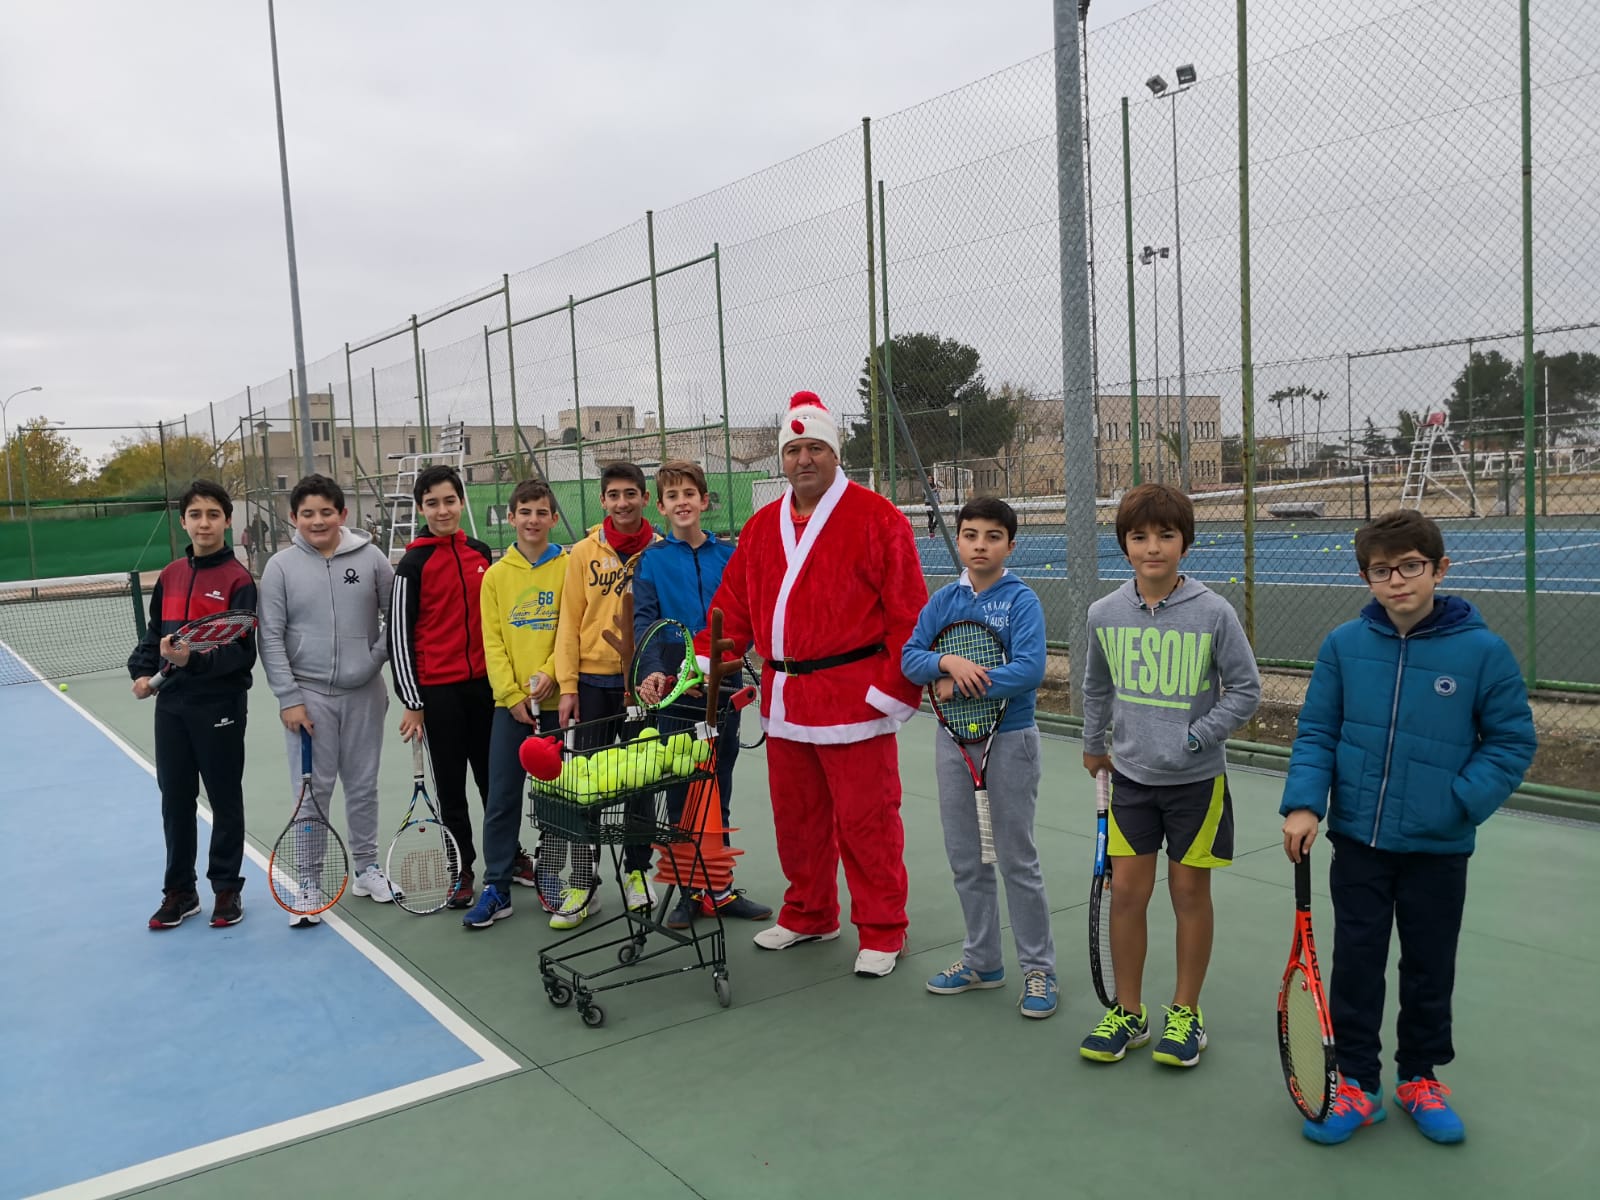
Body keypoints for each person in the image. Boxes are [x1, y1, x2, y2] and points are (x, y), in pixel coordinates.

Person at [1280, 508, 1535, 1146]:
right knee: (1357, 963)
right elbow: (1318, 731)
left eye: (1410, 567)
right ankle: (1357, 1084)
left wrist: (1456, 803)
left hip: (1438, 848)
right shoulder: (1343, 646)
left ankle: (1419, 1077)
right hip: (1358, 842)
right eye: (1381, 570)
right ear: (1365, 577)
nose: (1396, 580)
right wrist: (1305, 803)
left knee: (1429, 964)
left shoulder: (1483, 652)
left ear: (1439, 569)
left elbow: (1511, 742)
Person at [696, 391, 927, 978]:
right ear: (782, 458)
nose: (803, 459)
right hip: (785, 698)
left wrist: (895, 689)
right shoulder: (760, 527)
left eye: (815, 448)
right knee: (796, 819)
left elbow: (909, 613)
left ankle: (882, 928)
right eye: (793, 449)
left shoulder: (878, 518)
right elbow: (733, 606)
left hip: (855, 698)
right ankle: (810, 912)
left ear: (835, 453)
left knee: (867, 821)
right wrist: (707, 657)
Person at [1079, 482, 1261, 1067]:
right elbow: (1096, 687)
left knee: (1188, 894)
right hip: (1131, 782)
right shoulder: (1103, 613)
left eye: (1166, 535)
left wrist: (1197, 736)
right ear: (1124, 545)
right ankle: (1128, 1013)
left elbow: (1246, 690)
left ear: (1186, 542)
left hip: (1197, 785)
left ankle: (1186, 1013)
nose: (1152, 547)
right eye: (1139, 536)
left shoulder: (1214, 612)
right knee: (1127, 896)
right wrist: (1093, 745)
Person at [901, 497, 1055, 1016]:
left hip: (1009, 741)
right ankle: (983, 961)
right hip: (953, 742)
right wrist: (945, 661)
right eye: (970, 535)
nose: (980, 545)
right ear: (960, 540)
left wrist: (963, 683)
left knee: (1016, 860)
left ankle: (1039, 970)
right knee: (967, 859)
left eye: (993, 536)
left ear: (1010, 545)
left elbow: (1030, 669)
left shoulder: (1021, 600)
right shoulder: (944, 600)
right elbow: (910, 658)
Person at [631, 460, 772, 930]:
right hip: (676, 689)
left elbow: (747, 614)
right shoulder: (652, 561)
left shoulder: (729, 555)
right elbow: (646, 623)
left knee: (717, 787)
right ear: (661, 506)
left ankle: (719, 888)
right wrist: (656, 671)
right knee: (679, 793)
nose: (682, 502)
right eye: (673, 496)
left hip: (722, 684)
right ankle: (690, 890)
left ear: (704, 500)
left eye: (689, 493)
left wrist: (721, 663)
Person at [257, 474, 397, 927]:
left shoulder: (372, 558)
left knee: (363, 785)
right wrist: (289, 697)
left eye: (326, 512)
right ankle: (309, 881)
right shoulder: (280, 567)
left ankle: (367, 869)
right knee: (311, 794)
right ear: (293, 517)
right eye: (307, 514)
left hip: (365, 694)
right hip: (308, 698)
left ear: (343, 514)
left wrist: (373, 659)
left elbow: (396, 616)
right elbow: (271, 636)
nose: (317, 521)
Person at [130, 480, 257, 930]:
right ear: (183, 522)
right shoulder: (170, 575)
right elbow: (154, 635)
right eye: (196, 515)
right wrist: (142, 672)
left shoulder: (239, 580)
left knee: (225, 799)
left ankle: (226, 888)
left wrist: (193, 661)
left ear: (227, 521)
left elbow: (241, 653)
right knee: (175, 800)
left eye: (213, 514)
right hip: (172, 707)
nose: (205, 523)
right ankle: (180, 892)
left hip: (219, 704)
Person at [552, 461, 660, 927]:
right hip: (593, 684)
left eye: (630, 493)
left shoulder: (659, 549)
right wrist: (568, 686)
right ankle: (584, 880)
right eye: (613, 495)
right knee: (588, 786)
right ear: (602, 501)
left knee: (641, 783)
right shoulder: (582, 553)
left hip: (643, 685)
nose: (622, 502)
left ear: (645, 498)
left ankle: (637, 872)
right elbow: (569, 622)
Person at [389, 465, 502, 909]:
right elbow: (399, 636)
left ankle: (506, 858)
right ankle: (462, 867)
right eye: (432, 503)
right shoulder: (411, 565)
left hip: (486, 689)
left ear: (461, 502)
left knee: (495, 782)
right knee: (453, 788)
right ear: (421, 508)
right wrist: (413, 701)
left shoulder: (480, 552)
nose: (442, 510)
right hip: (439, 694)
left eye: (449, 501)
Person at [463, 479, 568, 929]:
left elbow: (571, 630)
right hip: (511, 709)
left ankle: (551, 878)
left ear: (553, 518)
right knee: (503, 797)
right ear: (511, 518)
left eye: (541, 512)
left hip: (559, 704)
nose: (533, 520)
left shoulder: (568, 567)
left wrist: (550, 673)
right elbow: (492, 641)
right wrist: (510, 695)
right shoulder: (496, 576)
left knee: (558, 799)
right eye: (524, 512)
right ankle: (497, 887)